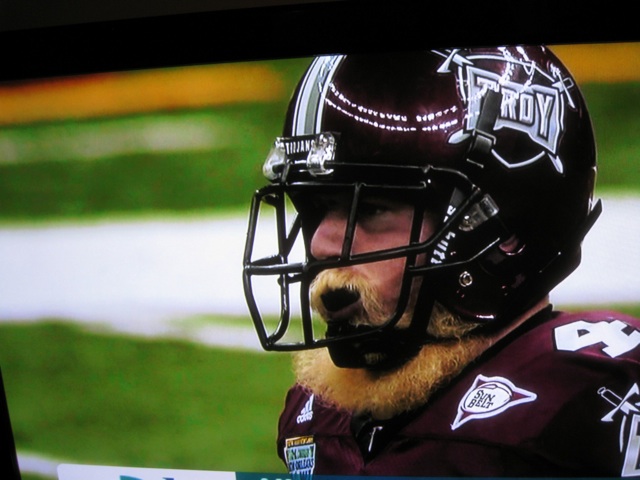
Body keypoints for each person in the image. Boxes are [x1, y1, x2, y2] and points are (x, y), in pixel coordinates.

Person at [243, 46, 640, 477]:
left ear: (500, 233)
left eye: (372, 209)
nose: (321, 244)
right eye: (317, 206)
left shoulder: (584, 396)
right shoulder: (322, 411)